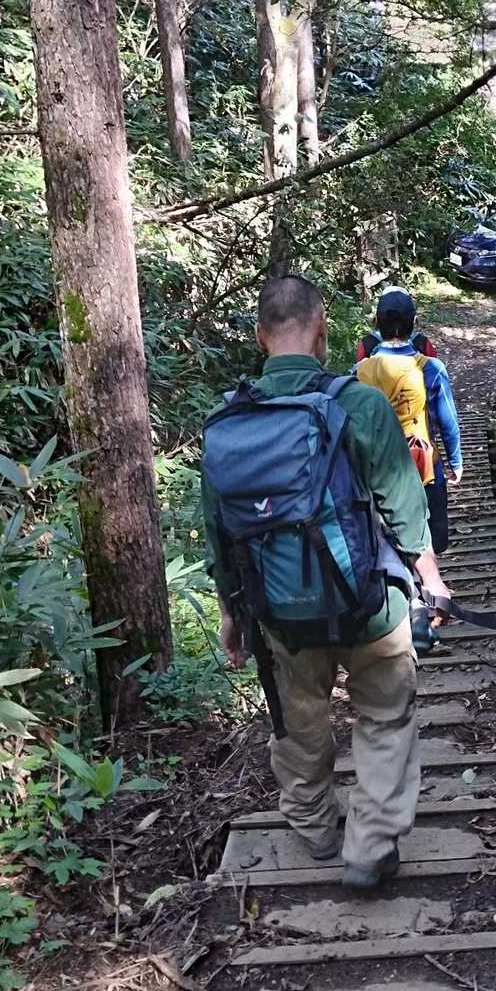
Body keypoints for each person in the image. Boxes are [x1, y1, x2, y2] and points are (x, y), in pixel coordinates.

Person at [202, 276, 451, 891]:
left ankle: (315, 827)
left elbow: (220, 532)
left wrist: (232, 612)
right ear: (322, 330)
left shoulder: (228, 421)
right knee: (386, 715)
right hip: (369, 604)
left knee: (299, 717)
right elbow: (402, 504)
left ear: (259, 337)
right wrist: (431, 581)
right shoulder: (357, 404)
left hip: (280, 610)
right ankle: (369, 845)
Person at [353, 287, 463, 555]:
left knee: (384, 537)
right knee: (434, 533)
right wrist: (456, 461)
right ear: (415, 323)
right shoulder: (430, 367)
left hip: (376, 469)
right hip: (423, 465)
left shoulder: (359, 371)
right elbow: (448, 421)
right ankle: (430, 567)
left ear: (376, 323)